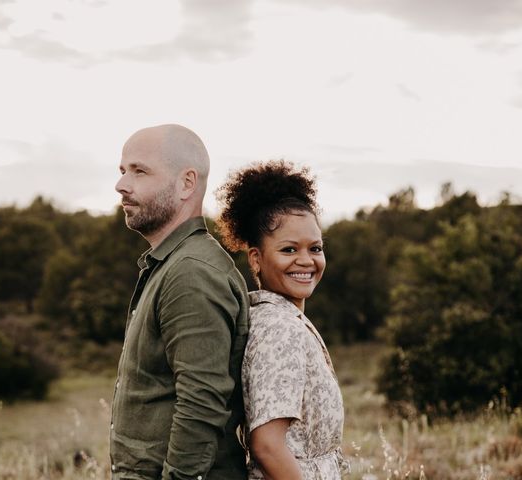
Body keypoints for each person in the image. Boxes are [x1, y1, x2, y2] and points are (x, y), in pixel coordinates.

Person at [111, 124, 249, 480]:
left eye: (139, 171)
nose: (122, 185)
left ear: (187, 183)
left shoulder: (191, 273)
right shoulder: (171, 264)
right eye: (122, 171)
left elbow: (201, 406)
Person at [215, 160, 350, 479]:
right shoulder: (278, 328)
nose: (306, 260)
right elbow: (267, 445)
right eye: (289, 250)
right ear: (256, 259)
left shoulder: (285, 319)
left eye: (315, 248)